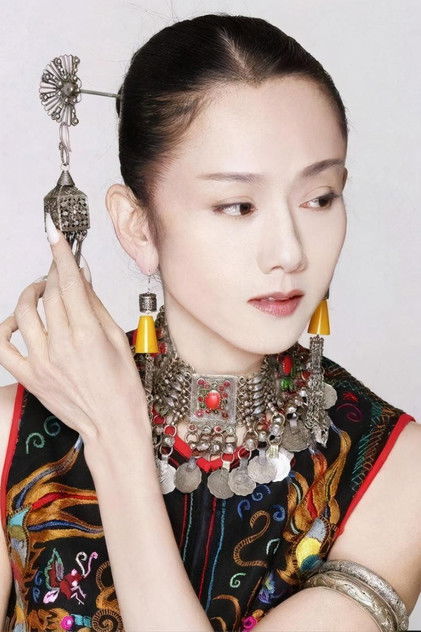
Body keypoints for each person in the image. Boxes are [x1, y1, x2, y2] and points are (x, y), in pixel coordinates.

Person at [0, 12, 420, 632]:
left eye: (319, 198)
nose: (290, 251)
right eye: (238, 205)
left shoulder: (393, 469)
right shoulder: (13, 435)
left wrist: (117, 437)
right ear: (139, 227)